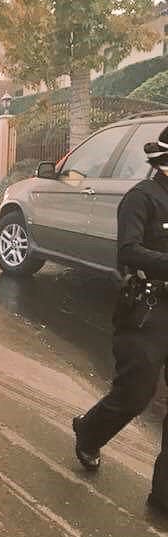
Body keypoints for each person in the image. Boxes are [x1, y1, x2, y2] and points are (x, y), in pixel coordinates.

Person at [72, 128, 168, 515]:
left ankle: (163, 499)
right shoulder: (141, 199)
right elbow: (129, 251)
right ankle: (89, 432)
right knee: (136, 393)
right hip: (147, 310)